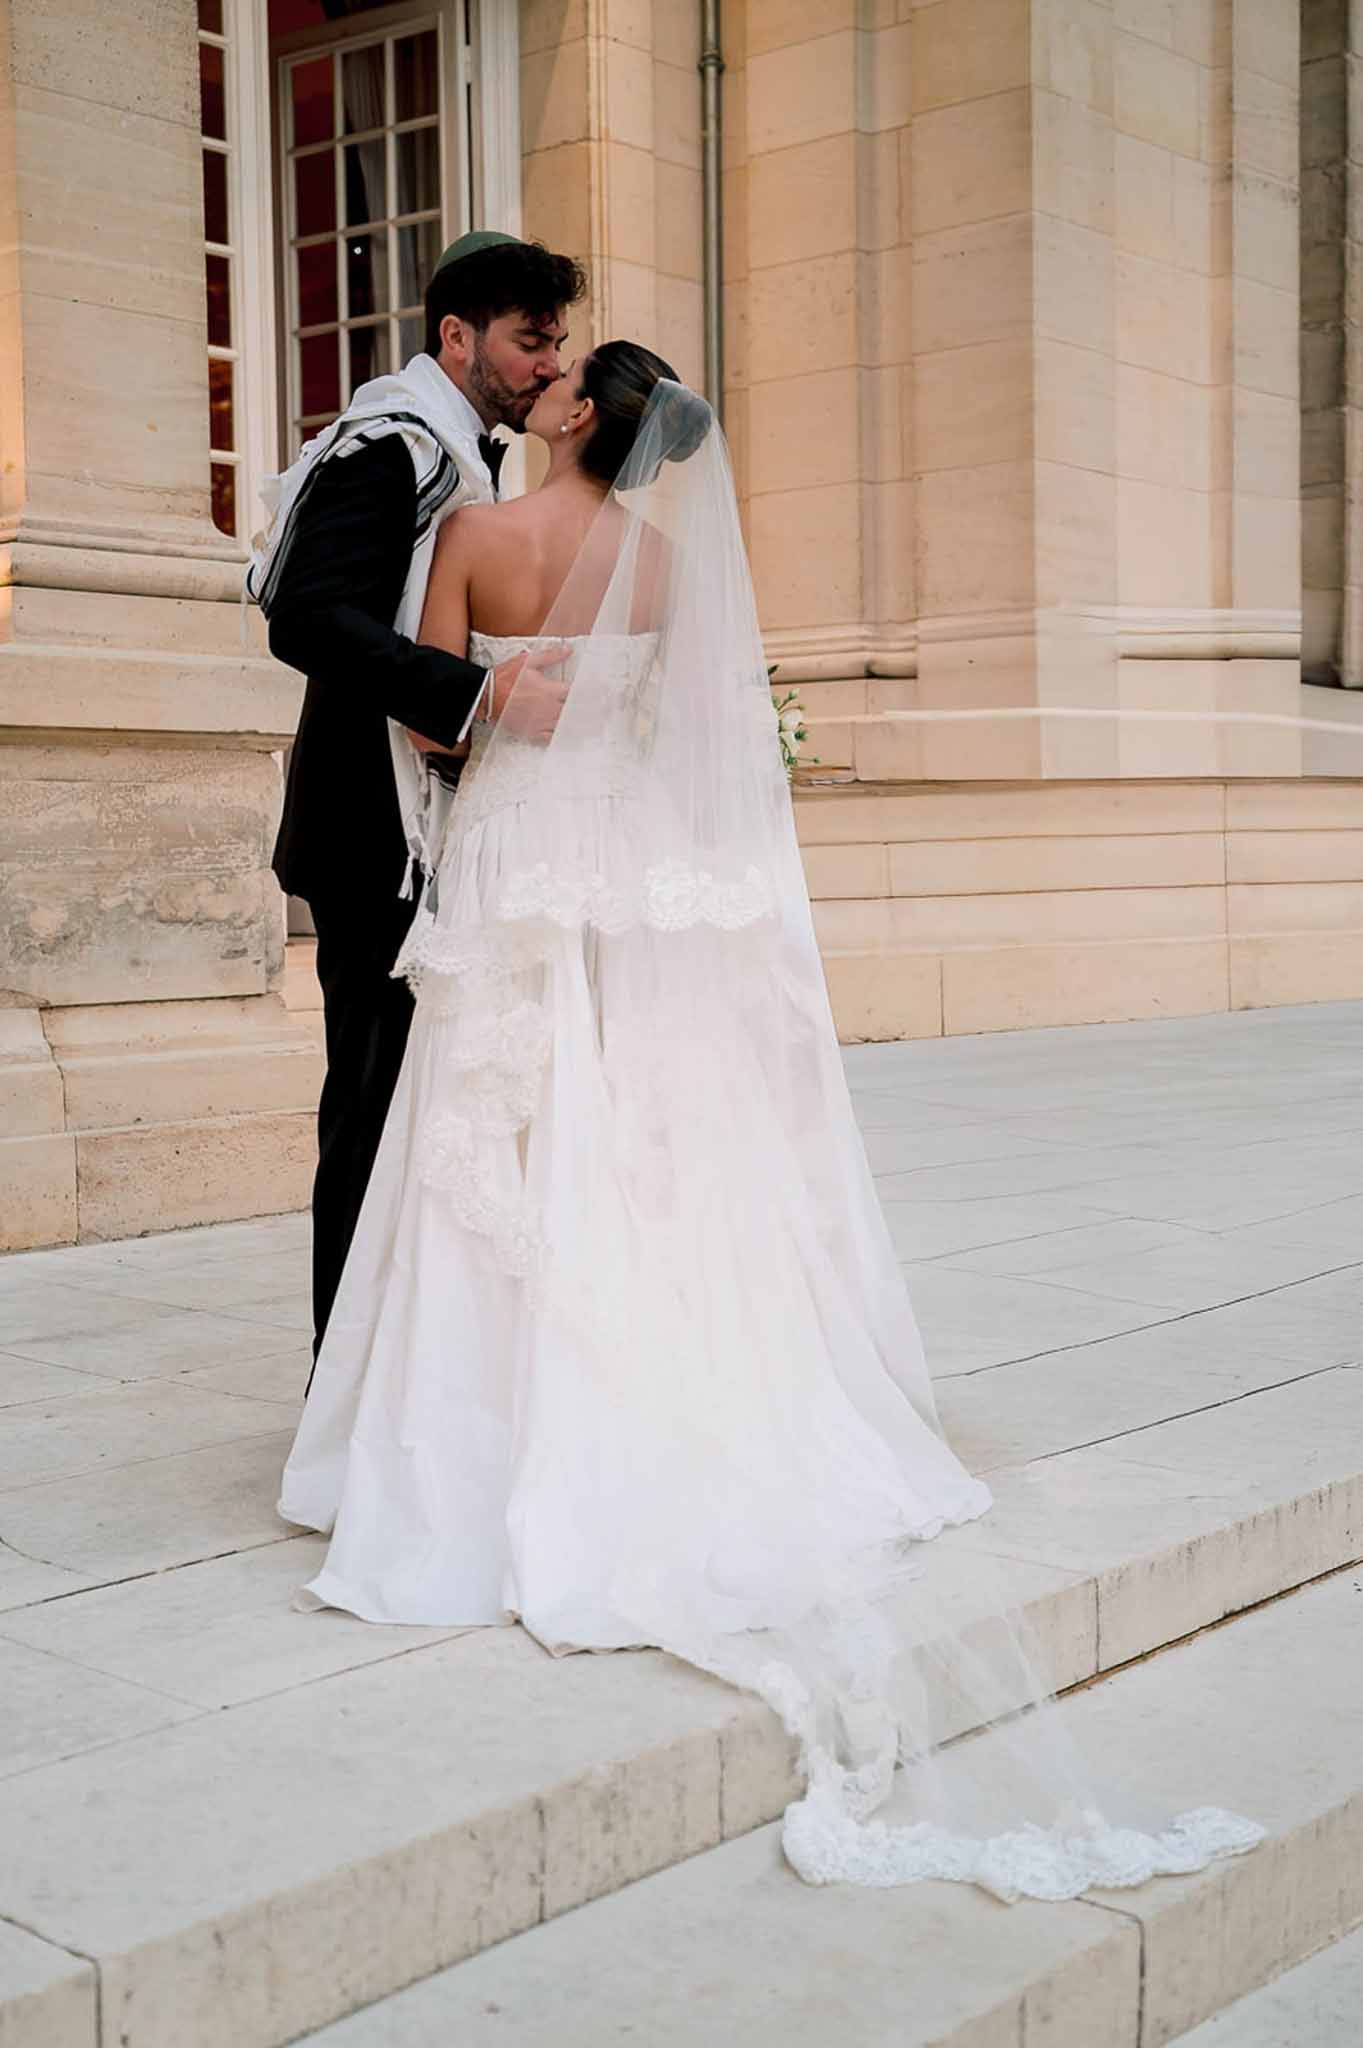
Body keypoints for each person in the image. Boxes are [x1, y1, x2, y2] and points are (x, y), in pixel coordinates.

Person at [277, 345, 1262, 1900]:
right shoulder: (671, 567)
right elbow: (686, 747)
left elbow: (435, 728)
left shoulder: (473, 534)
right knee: (630, 1128)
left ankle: (486, 1423)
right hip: (625, 860)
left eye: (560, 377)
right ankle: (656, 1379)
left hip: (519, 849)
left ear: (579, 415)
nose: (542, 383)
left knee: (502, 1119)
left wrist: (499, 723)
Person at [249, 233, 586, 1372]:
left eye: (557, 344)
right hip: (369, 836)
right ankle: (343, 1381)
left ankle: (397, 1374)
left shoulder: (459, 456)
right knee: (373, 1111)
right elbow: (305, 615)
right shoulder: (392, 445)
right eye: (530, 341)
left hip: (427, 837)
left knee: (417, 1115)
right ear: (456, 335)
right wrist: (476, 693)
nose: (549, 365)